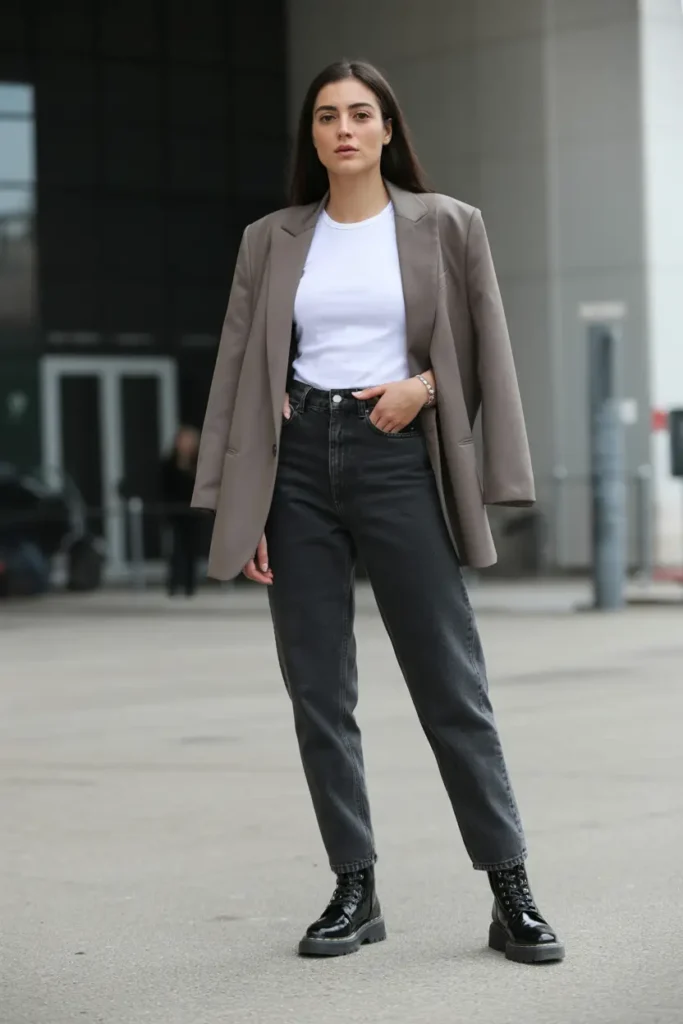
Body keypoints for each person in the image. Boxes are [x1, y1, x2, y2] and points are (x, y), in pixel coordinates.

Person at [192, 60, 564, 965]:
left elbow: (483, 349)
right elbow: (240, 365)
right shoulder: (270, 238)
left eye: (361, 114)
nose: (344, 129)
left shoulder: (446, 225)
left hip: (399, 454)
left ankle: (509, 887)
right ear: (311, 136)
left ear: (388, 128)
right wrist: (241, 506)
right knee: (319, 691)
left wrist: (423, 386)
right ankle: (353, 888)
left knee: (448, 680)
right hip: (298, 467)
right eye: (327, 116)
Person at [160, 426, 201, 597]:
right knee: (175, 550)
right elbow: (164, 487)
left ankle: (190, 586)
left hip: (192, 513)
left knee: (191, 549)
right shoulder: (169, 463)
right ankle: (174, 584)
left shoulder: (197, 462)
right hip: (175, 512)